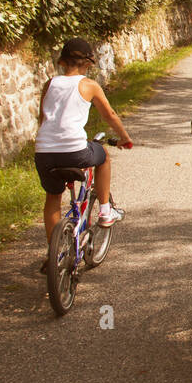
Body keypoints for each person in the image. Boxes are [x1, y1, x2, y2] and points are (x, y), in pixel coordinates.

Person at [34, 38, 134, 268]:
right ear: (88, 62)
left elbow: (43, 119)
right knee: (104, 157)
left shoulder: (49, 84)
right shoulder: (88, 85)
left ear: (62, 61)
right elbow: (109, 115)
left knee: (52, 199)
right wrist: (125, 138)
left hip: (44, 151)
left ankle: (54, 256)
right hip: (74, 151)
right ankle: (106, 212)